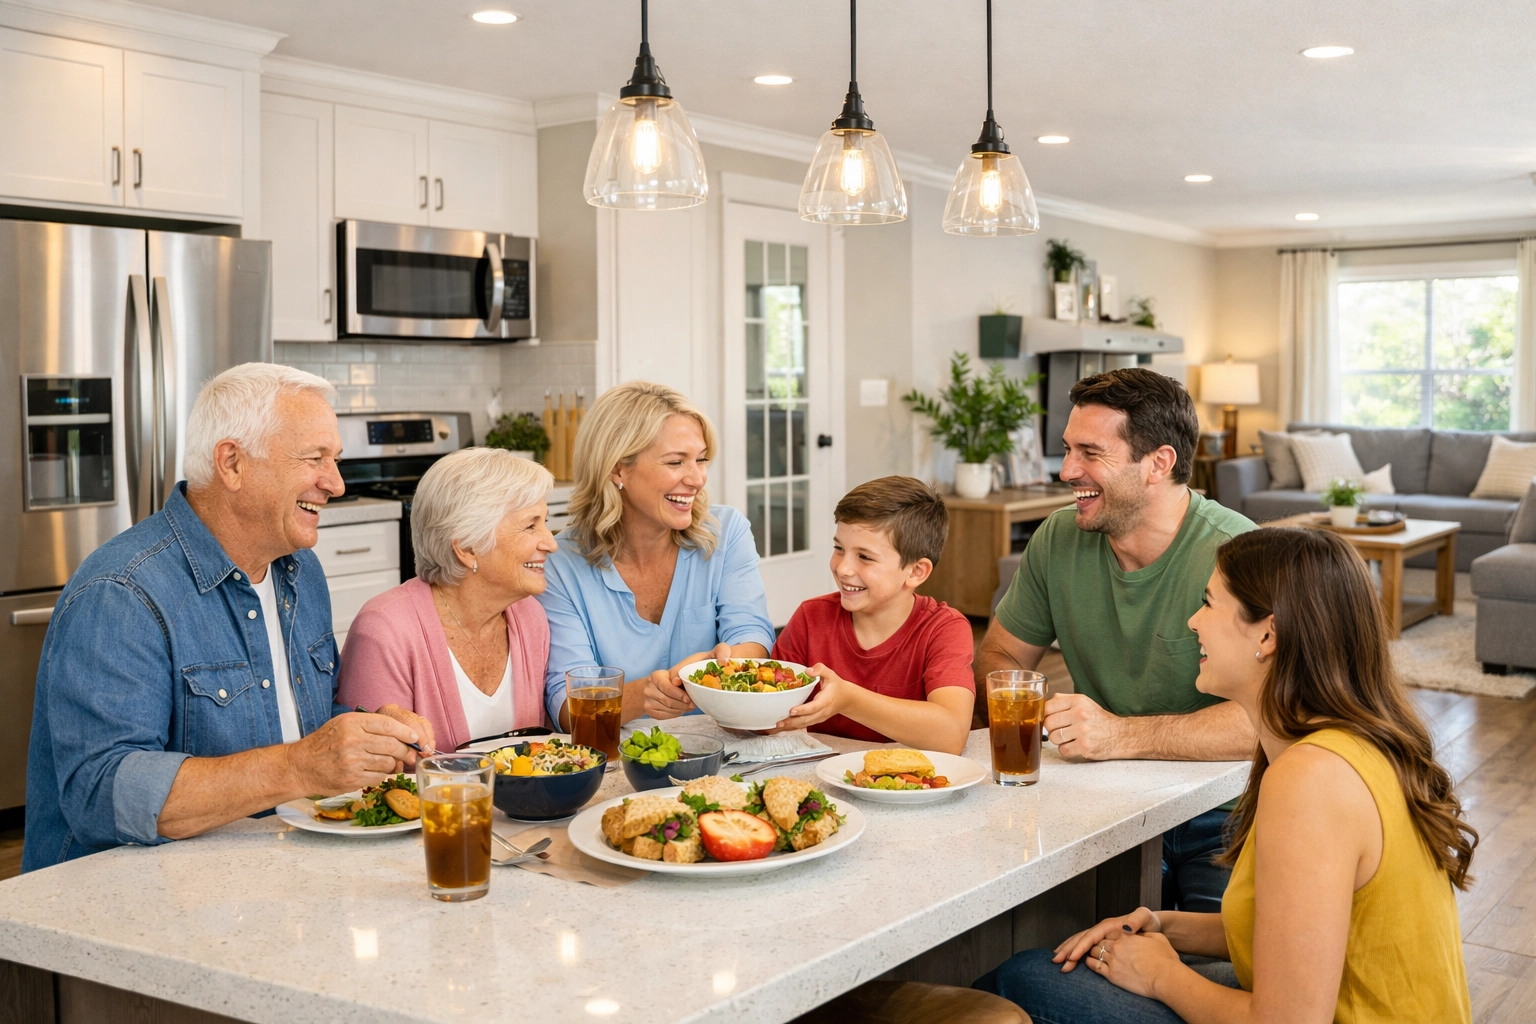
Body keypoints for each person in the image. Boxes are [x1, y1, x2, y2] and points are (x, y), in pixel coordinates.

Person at [976, 526, 1476, 1024]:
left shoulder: (1312, 781)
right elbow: (1301, 931)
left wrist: (1161, 976)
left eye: (1209, 603)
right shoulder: (1348, 746)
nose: (1193, 621)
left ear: (1267, 634)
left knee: (1021, 982)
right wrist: (1162, 925)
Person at [23, 364, 430, 872]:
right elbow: (103, 794)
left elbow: (295, 726)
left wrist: (365, 737)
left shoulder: (300, 571)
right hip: (122, 905)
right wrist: (302, 766)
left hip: (263, 876)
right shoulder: (121, 592)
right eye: (315, 458)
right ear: (232, 463)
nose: (337, 484)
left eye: (336, 459)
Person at [978, 367, 1257, 911]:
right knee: (1018, 935)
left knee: (1220, 965)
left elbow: (1269, 720)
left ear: (1159, 463)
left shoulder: (1239, 555)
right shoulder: (1058, 538)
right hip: (1096, 803)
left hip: (1225, 819)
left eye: (1090, 453)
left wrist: (1119, 736)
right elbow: (1001, 655)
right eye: (1066, 450)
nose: (1065, 471)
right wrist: (1024, 704)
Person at [538, 381, 775, 727]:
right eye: (676, 462)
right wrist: (646, 693)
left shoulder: (725, 532)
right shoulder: (561, 566)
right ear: (618, 469)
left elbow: (752, 636)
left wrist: (716, 665)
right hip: (616, 760)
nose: (697, 479)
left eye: (702, 459)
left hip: (720, 750)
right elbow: (568, 708)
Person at [337, 447, 557, 750]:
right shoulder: (385, 630)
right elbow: (369, 778)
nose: (551, 542)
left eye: (545, 522)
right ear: (467, 548)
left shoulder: (529, 616)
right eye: (531, 525)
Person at [770, 476, 975, 753]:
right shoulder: (811, 617)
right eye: (839, 548)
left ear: (916, 572)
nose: (843, 568)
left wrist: (848, 700)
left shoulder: (944, 629)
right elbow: (766, 712)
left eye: (865, 557)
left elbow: (950, 734)